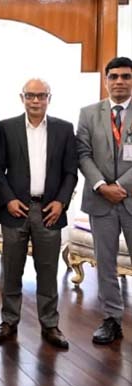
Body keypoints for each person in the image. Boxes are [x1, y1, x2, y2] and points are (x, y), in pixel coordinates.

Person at [0, 78, 77, 349]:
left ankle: (50, 324)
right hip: (15, 209)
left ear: (49, 98)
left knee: (48, 270)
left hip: (50, 211)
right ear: (22, 98)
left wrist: (61, 202)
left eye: (41, 95)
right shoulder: (6, 127)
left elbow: (71, 172)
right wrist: (8, 200)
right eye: (30, 95)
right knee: (11, 268)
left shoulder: (64, 129)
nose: (35, 100)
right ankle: (9, 320)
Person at [77, 56, 132, 345]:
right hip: (100, 201)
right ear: (106, 80)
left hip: (130, 196)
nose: (119, 81)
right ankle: (111, 319)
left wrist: (120, 186)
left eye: (126, 76)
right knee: (106, 263)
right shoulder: (88, 113)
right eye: (114, 76)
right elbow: (83, 154)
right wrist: (101, 186)